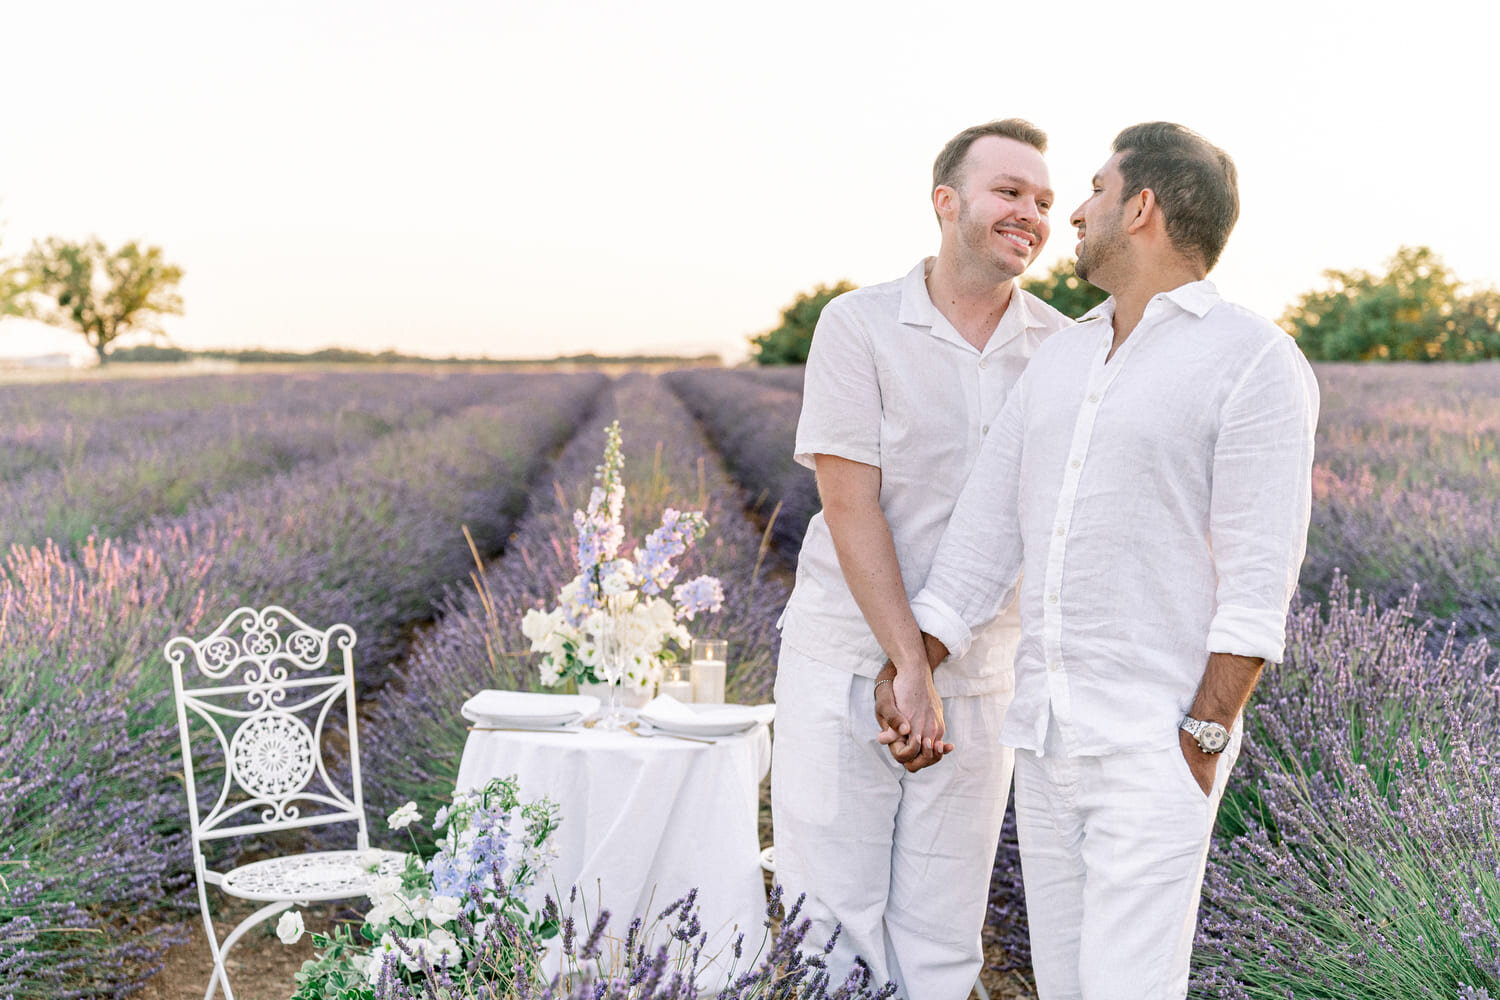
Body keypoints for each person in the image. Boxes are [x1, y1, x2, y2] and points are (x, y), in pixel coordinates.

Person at [878, 122, 1319, 999]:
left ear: (1143, 207)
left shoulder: (1254, 359)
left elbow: (1260, 575)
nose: (1073, 215)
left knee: (1129, 986)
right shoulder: (1065, 354)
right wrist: (913, 665)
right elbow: (984, 534)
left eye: (1094, 192)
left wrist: (1203, 732)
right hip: (1046, 737)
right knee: (1071, 985)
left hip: (1155, 742)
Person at [770, 118, 1073, 999]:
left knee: (943, 937)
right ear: (947, 203)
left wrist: (934, 668)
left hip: (980, 675)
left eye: (1047, 202)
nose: (1032, 214)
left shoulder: (1062, 349)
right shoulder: (858, 325)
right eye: (1009, 192)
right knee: (828, 923)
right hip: (842, 658)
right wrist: (907, 662)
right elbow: (848, 500)